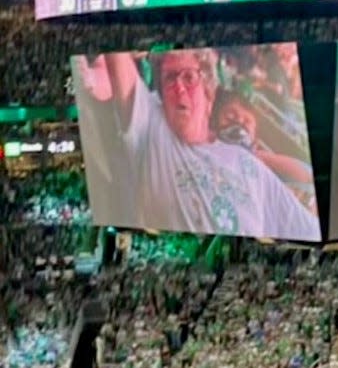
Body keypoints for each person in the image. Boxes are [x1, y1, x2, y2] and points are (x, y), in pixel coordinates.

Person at [73, 50, 320, 241]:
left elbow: (308, 228)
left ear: (209, 94)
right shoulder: (150, 127)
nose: (178, 86)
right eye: (169, 78)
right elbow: (117, 64)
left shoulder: (248, 164)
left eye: (189, 77)